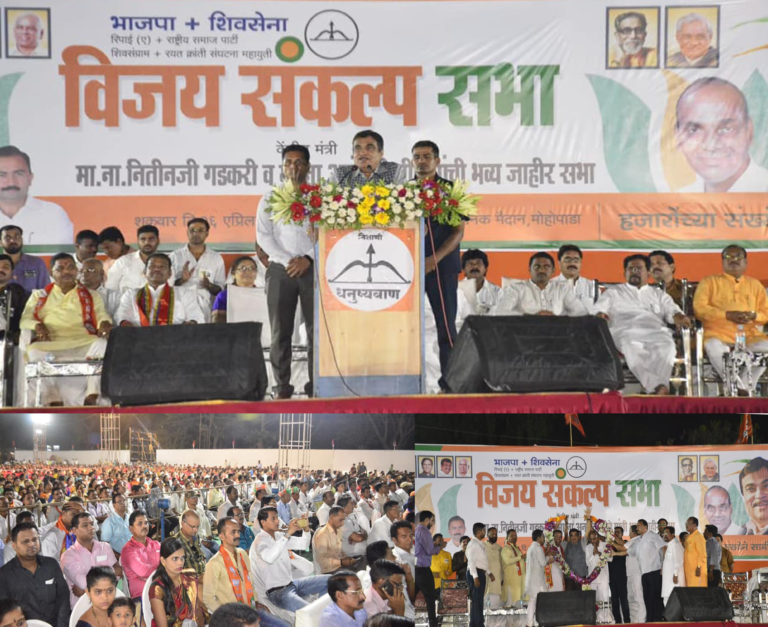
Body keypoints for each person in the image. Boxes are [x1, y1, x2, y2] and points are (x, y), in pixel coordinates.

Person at [256, 144, 315, 399]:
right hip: (281, 270)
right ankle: (281, 387)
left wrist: (309, 259)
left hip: (312, 269)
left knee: (316, 332)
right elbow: (263, 236)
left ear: (308, 166)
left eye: (299, 162)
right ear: (282, 167)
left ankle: (317, 385)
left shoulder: (319, 198)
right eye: (289, 162)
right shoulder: (270, 198)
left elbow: (327, 233)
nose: (294, 167)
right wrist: (289, 260)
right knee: (281, 331)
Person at [21, 253, 111, 404]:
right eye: (60, 268)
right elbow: (25, 319)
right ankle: (52, 397)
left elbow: (101, 314)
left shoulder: (91, 294)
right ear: (51, 273)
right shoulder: (39, 295)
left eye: (70, 267)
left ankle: (92, 393)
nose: (66, 272)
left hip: (83, 341)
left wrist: (104, 322)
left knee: (102, 344)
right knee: (34, 351)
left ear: (76, 270)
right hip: (51, 342)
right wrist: (37, 325)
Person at [411, 141, 465, 388]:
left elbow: (457, 233)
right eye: (417, 157)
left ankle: (450, 383)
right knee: (405, 330)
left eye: (426, 156)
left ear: (437, 160)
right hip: (409, 269)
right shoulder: (403, 192)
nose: (421, 161)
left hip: (441, 267)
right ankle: (408, 382)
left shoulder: (452, 190)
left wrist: (435, 258)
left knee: (445, 327)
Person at [595, 254, 690, 394]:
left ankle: (657, 389)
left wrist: (678, 317)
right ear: (624, 272)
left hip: (657, 332)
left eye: (639, 268)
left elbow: (672, 311)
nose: (634, 271)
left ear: (648, 272)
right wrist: (600, 316)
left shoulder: (658, 294)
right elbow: (598, 311)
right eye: (630, 268)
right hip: (625, 332)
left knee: (668, 347)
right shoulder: (614, 292)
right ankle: (658, 387)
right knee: (633, 349)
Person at [694, 245, 768, 391]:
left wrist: (753, 316)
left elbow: (765, 313)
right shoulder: (709, 282)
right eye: (728, 257)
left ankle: (741, 388)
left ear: (746, 262)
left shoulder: (755, 285)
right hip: (718, 334)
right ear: (722, 262)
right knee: (713, 348)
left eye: (738, 257)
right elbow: (699, 309)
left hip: (750, 336)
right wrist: (727, 315)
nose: (733, 260)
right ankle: (740, 389)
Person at [676, 78, 767, 192]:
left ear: (749, 131)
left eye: (726, 129)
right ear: (678, 135)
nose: (710, 145)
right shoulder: (678, 201)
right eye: (694, 130)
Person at [250, 506, 327, 611]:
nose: (277, 521)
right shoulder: (259, 540)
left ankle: (322, 613)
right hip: (278, 592)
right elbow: (269, 558)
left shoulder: (278, 536)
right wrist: (288, 533)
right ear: (263, 522)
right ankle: (317, 617)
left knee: (330, 580)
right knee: (308, 610)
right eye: (273, 518)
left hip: (292, 584)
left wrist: (306, 529)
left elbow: (303, 544)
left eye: (277, 517)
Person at [0, 522, 70, 626]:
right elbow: (6, 610)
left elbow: (63, 598)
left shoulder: (51, 565)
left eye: (35, 539)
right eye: (26, 541)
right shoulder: (4, 574)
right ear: (14, 545)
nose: (32, 544)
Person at [0, 146, 72, 244]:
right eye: (2, 175)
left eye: (18, 173)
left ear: (30, 178)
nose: (11, 182)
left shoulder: (53, 214)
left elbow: (63, 256)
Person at [116, 253, 204, 326]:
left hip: (176, 341)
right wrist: (125, 323)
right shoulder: (131, 294)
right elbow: (121, 315)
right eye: (152, 266)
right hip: (139, 341)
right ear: (144, 272)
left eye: (162, 267)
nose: (157, 269)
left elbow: (196, 316)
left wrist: (191, 323)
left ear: (169, 273)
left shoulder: (184, 293)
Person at [492, 252, 588, 317]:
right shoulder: (516, 288)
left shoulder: (562, 289)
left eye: (546, 267)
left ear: (553, 270)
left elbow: (581, 313)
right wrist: (530, 317)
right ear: (530, 269)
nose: (541, 270)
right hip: (525, 335)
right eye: (537, 267)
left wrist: (558, 318)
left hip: (557, 335)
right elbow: (500, 311)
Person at [170, 218, 225, 323]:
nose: (196, 233)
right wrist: (182, 280)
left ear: (207, 233)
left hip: (205, 307)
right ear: (187, 233)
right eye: (192, 230)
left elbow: (220, 289)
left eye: (200, 230)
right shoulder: (175, 256)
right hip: (180, 307)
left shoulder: (216, 258)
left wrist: (209, 285)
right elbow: (167, 286)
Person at [60, 511, 120, 608]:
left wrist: (86, 589)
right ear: (74, 530)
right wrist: (110, 576)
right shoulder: (68, 556)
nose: (91, 528)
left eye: (92, 524)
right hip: (84, 606)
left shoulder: (105, 547)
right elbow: (83, 583)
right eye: (85, 525)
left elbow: (119, 571)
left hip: (108, 602)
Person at [148, 537, 206, 627]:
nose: (180, 563)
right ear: (163, 561)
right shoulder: (157, 588)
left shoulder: (189, 578)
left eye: (182, 558)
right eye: (175, 559)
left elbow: (198, 614)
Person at [332, 130, 405, 186]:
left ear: (381, 153)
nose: (363, 152)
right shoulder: (341, 174)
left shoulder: (395, 171)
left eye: (369, 148)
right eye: (358, 148)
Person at [105, 225, 161, 293]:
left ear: (158, 240)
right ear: (138, 241)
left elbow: (170, 286)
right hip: (127, 303)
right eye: (143, 239)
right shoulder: (123, 262)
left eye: (151, 239)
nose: (147, 242)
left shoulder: (167, 262)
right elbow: (110, 288)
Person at [628, 518, 665, 622]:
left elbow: (663, 548)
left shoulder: (653, 535)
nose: (637, 527)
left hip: (654, 571)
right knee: (647, 598)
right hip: (644, 573)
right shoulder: (639, 540)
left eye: (639, 525)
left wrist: (663, 565)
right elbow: (628, 551)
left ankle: (658, 619)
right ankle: (650, 620)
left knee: (655, 598)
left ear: (645, 527)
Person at [120, 511, 160, 601]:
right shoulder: (128, 550)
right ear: (131, 529)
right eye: (140, 524)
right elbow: (143, 571)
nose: (144, 526)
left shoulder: (156, 544)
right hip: (141, 595)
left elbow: (168, 563)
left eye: (146, 523)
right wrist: (161, 569)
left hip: (160, 589)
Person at [413, 511, 443, 627]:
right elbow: (430, 551)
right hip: (423, 569)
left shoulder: (417, 530)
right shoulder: (424, 531)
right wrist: (439, 547)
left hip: (417, 568)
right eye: (432, 520)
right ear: (427, 519)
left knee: (411, 597)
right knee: (430, 600)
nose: (433, 523)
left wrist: (434, 545)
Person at [456, 249, 500, 326]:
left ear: (486, 269)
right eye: (470, 264)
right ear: (464, 270)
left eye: (478, 263)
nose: (475, 266)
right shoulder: (455, 290)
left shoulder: (497, 292)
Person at [212, 256, 262, 323]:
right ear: (233, 273)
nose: (248, 271)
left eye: (252, 268)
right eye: (243, 268)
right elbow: (217, 324)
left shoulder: (262, 295)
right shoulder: (224, 296)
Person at [551, 244, 598, 314]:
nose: (572, 263)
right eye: (567, 260)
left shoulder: (592, 286)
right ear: (559, 263)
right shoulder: (550, 286)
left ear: (580, 263)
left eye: (576, 260)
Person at [1, 225, 48, 292]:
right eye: (7, 238)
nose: (12, 240)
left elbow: (45, 291)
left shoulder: (37, 263)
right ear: (0, 242)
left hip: (32, 302)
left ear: (22, 240)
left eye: (17, 237)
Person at [585, 528, 612, 624]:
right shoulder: (588, 547)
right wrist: (593, 554)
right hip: (592, 578)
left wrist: (600, 553)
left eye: (595, 538)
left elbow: (610, 558)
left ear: (598, 537)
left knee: (604, 598)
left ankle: (605, 618)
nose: (593, 541)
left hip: (603, 577)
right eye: (591, 539)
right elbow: (588, 563)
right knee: (594, 599)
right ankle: (595, 619)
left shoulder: (605, 545)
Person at [525, 529, 551, 627]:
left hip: (532, 580)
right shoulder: (538, 548)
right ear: (539, 537)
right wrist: (549, 558)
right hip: (537, 580)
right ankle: (532, 622)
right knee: (536, 601)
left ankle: (532, 622)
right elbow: (543, 562)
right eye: (543, 537)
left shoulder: (531, 548)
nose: (544, 539)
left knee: (533, 601)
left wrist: (546, 553)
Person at [0, 253, 28, 344]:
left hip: (8, 341)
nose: (1, 269)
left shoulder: (17, 292)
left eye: (6, 267)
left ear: (12, 273)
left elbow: (23, 319)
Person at [466, 523, 490, 627]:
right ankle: (477, 624)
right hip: (474, 574)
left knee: (479, 600)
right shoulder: (473, 544)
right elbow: (471, 562)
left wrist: (489, 572)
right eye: (484, 530)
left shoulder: (480, 543)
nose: (485, 532)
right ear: (479, 531)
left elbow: (482, 561)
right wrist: (475, 577)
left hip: (480, 573)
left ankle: (477, 623)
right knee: (476, 600)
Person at [739, 457, 768, 535]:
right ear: (743, 496)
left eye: (766, 486)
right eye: (751, 489)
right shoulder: (741, 533)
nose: (759, 495)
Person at [340, 495, 368, 571]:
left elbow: (363, 533)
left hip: (359, 555)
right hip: (352, 558)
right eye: (351, 503)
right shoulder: (343, 521)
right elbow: (359, 538)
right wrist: (362, 535)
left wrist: (362, 535)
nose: (353, 505)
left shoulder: (350, 518)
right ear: (344, 506)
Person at [607, 527, 629, 623]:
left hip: (622, 576)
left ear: (622, 533)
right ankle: (618, 621)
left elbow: (624, 548)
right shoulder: (609, 545)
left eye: (618, 532)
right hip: (611, 576)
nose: (616, 534)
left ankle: (627, 621)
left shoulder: (625, 542)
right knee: (614, 601)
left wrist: (613, 541)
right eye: (614, 532)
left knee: (624, 600)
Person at [661, 526, 685, 606]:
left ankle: (673, 618)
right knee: (667, 599)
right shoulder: (669, 545)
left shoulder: (675, 544)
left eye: (667, 533)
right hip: (668, 579)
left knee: (672, 600)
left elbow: (678, 561)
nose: (665, 535)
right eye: (664, 533)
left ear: (673, 534)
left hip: (673, 579)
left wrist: (675, 574)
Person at [501, 529, 525, 606]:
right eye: (512, 536)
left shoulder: (516, 548)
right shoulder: (506, 548)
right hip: (511, 582)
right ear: (507, 537)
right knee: (510, 605)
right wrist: (520, 557)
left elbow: (521, 561)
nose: (514, 537)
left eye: (515, 535)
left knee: (517, 605)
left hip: (519, 581)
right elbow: (507, 561)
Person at [683, 517, 707, 587]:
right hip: (689, 570)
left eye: (689, 523)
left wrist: (699, 567)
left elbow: (702, 554)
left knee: (697, 592)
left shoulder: (698, 537)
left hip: (696, 570)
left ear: (695, 525)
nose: (687, 525)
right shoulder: (689, 537)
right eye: (686, 523)